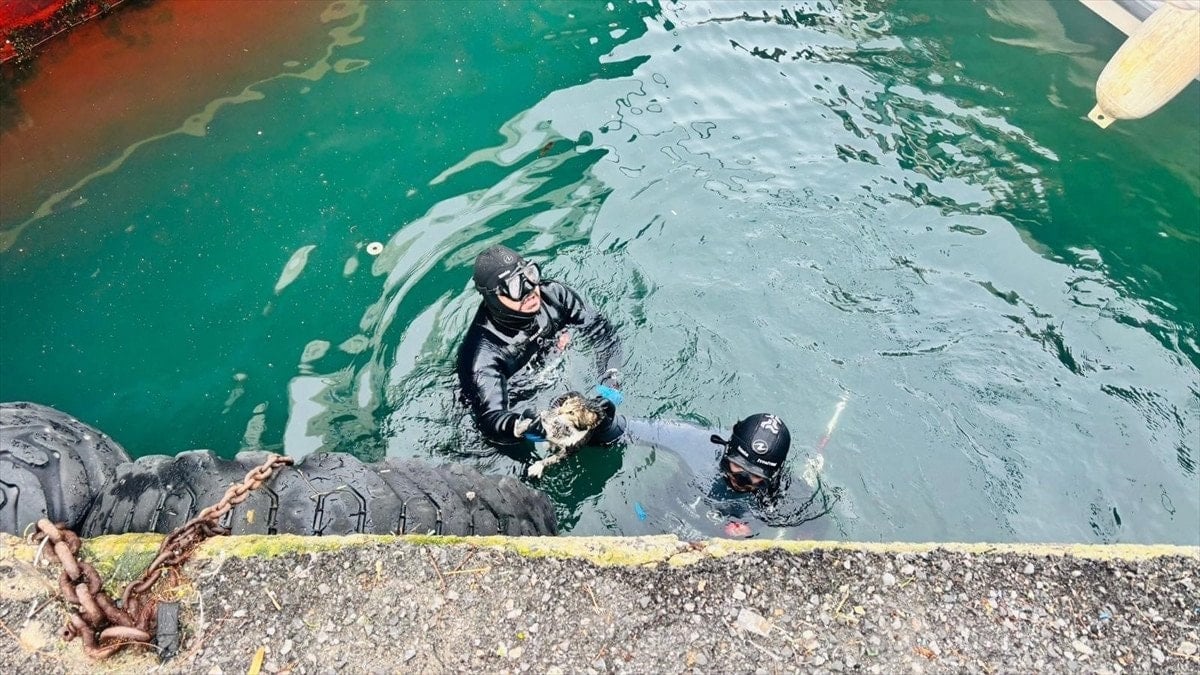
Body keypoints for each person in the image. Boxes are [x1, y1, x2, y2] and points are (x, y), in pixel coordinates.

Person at [456, 244, 624, 454]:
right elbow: (490, 419)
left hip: (553, 371)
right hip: (519, 396)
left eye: (529, 274)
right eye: (515, 286)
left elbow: (603, 335)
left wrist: (609, 387)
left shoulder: (555, 296)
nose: (530, 290)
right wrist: (520, 426)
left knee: (605, 427)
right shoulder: (481, 354)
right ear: (492, 297)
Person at [623, 412, 837, 538]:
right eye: (738, 465)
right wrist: (609, 423)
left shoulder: (786, 492)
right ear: (727, 449)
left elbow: (816, 525)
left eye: (754, 475)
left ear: (773, 474)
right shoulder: (698, 443)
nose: (742, 479)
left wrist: (752, 528)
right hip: (664, 513)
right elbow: (630, 429)